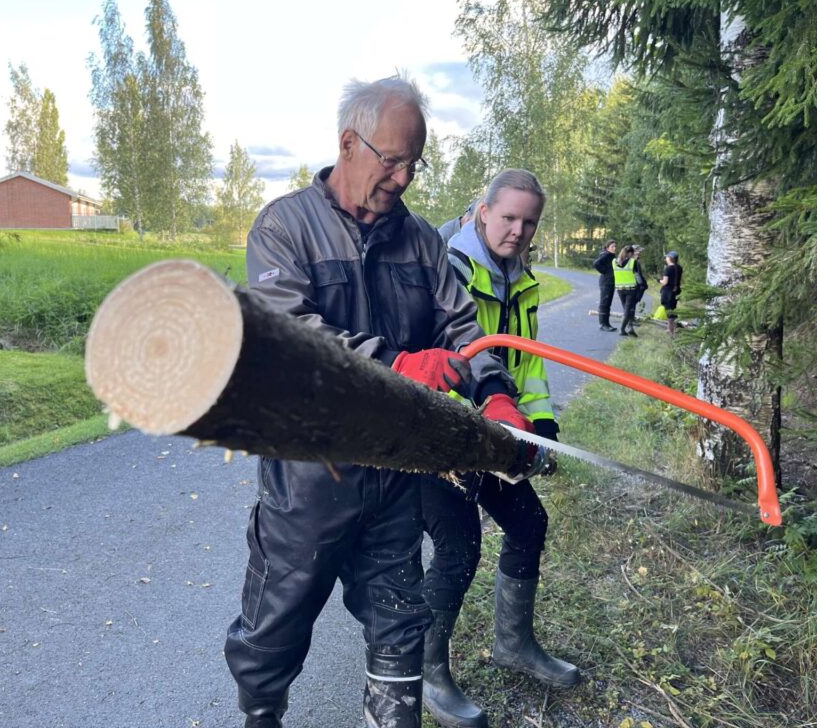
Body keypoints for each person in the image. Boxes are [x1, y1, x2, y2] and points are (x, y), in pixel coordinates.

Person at [226, 75, 527, 728]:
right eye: (392, 159)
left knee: (399, 621)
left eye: (414, 164)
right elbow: (292, 340)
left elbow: (464, 330)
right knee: (274, 628)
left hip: (394, 479)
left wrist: (496, 395)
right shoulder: (286, 228)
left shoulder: (420, 242)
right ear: (348, 143)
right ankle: (260, 715)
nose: (403, 177)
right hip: (308, 482)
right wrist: (397, 365)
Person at [420, 170, 580, 728]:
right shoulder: (448, 268)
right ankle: (429, 677)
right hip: (443, 434)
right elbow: (437, 355)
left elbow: (526, 362)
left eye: (529, 221)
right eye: (508, 217)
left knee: (529, 524)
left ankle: (514, 645)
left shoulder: (523, 278)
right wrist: (473, 423)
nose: (517, 230)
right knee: (459, 548)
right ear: (482, 212)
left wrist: (539, 423)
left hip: (499, 428)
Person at [613, 245, 639, 337]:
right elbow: (637, 276)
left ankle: (630, 327)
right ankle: (622, 329)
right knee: (628, 310)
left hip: (620, 289)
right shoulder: (632, 262)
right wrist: (642, 286)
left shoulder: (614, 262)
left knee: (626, 309)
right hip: (630, 289)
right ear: (631, 253)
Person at [592, 239, 617, 331]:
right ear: (607, 248)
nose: (614, 248)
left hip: (611, 282)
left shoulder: (612, 256)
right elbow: (596, 263)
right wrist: (605, 272)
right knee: (604, 303)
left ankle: (607, 323)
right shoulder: (606, 255)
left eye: (615, 246)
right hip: (605, 282)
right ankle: (603, 324)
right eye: (612, 247)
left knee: (608, 304)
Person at [660, 250, 683, 335]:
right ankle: (674, 327)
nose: (666, 258)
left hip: (668, 292)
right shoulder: (679, 268)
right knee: (673, 308)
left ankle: (671, 329)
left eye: (667, 257)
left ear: (670, 258)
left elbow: (665, 282)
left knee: (669, 311)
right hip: (676, 291)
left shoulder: (668, 268)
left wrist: (659, 281)